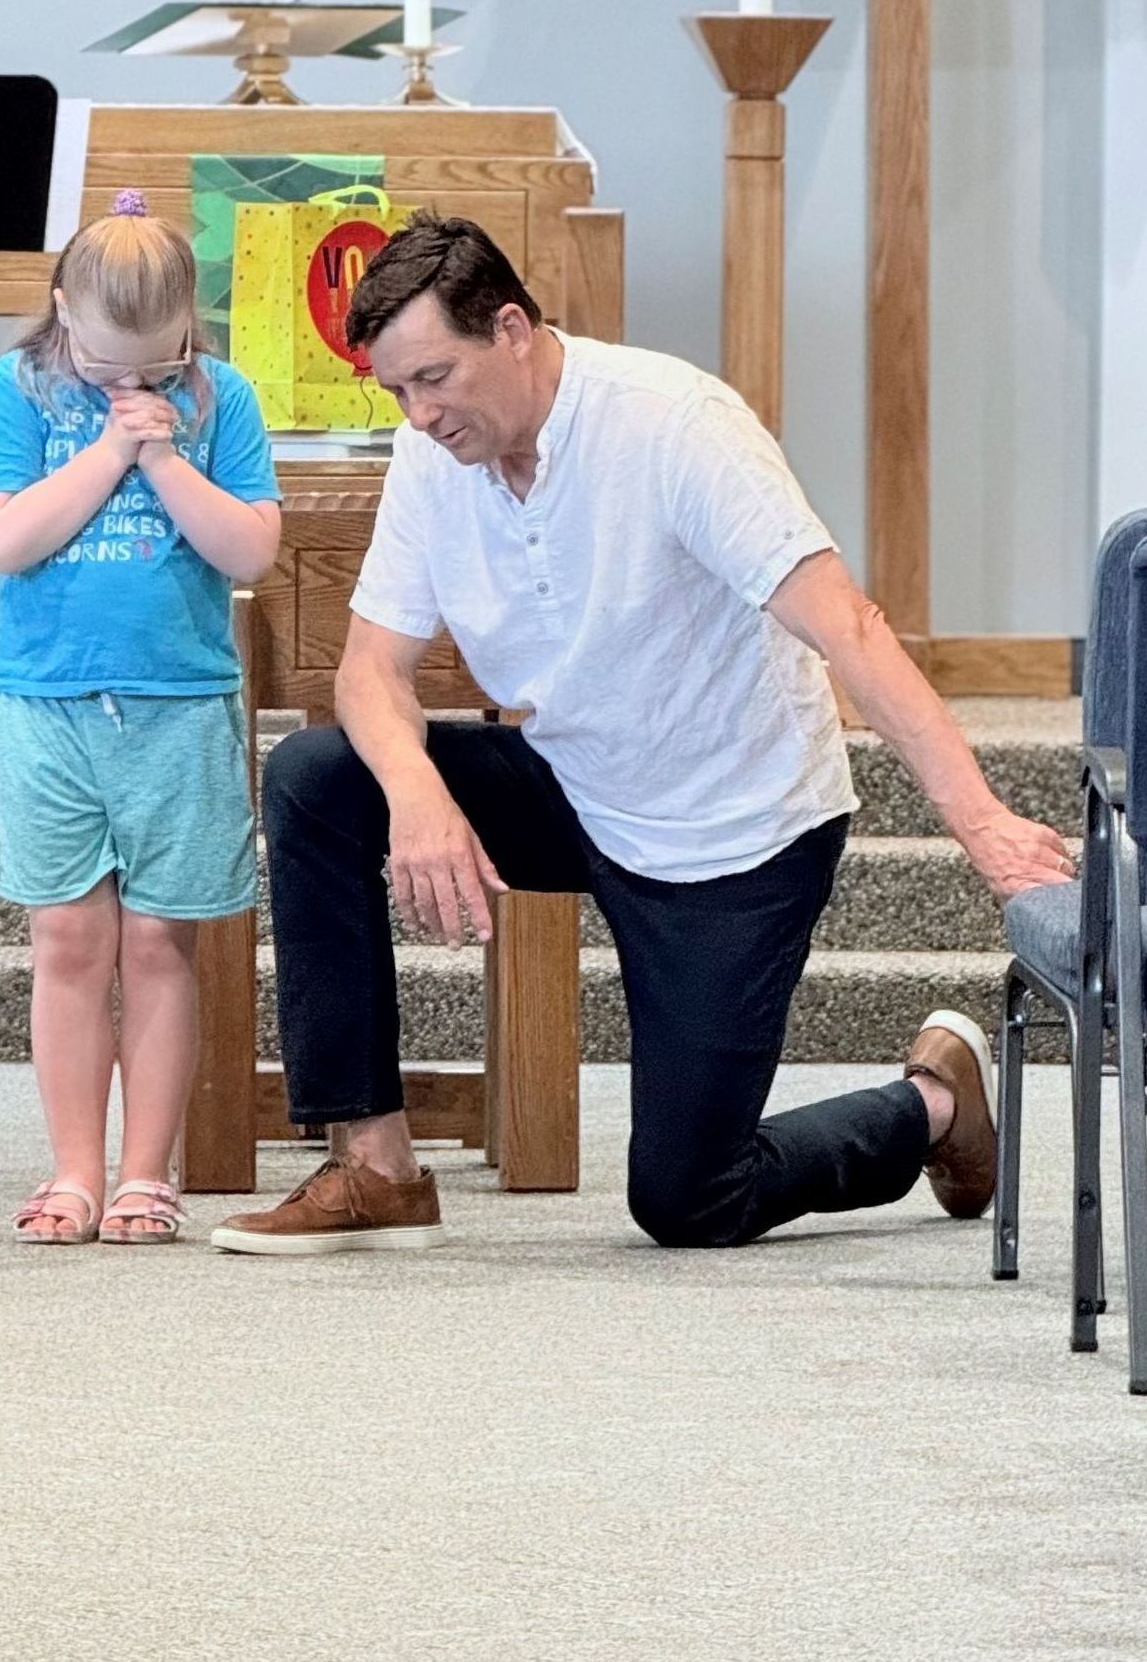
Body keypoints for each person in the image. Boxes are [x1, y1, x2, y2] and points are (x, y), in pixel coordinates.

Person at [211, 213, 1074, 1257]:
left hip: (735, 829)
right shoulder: (432, 456)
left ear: (514, 330)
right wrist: (420, 797)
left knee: (686, 1200)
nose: (420, 413)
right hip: (576, 784)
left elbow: (848, 625)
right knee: (319, 777)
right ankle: (375, 1167)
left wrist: (976, 819)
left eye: (434, 377)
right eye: (396, 391)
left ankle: (934, 1104)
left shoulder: (674, 425)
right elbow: (369, 671)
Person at [0, 189, 281, 1245]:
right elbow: (6, 543)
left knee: (155, 944)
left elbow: (250, 553)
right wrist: (104, 447)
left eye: (154, 357)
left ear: (191, 321)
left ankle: (147, 1172)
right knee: (65, 935)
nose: (130, 381)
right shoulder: (15, 389)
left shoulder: (220, 396)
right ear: (59, 312)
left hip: (178, 703)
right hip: (46, 699)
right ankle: (73, 1169)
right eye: (104, 364)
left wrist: (163, 453)